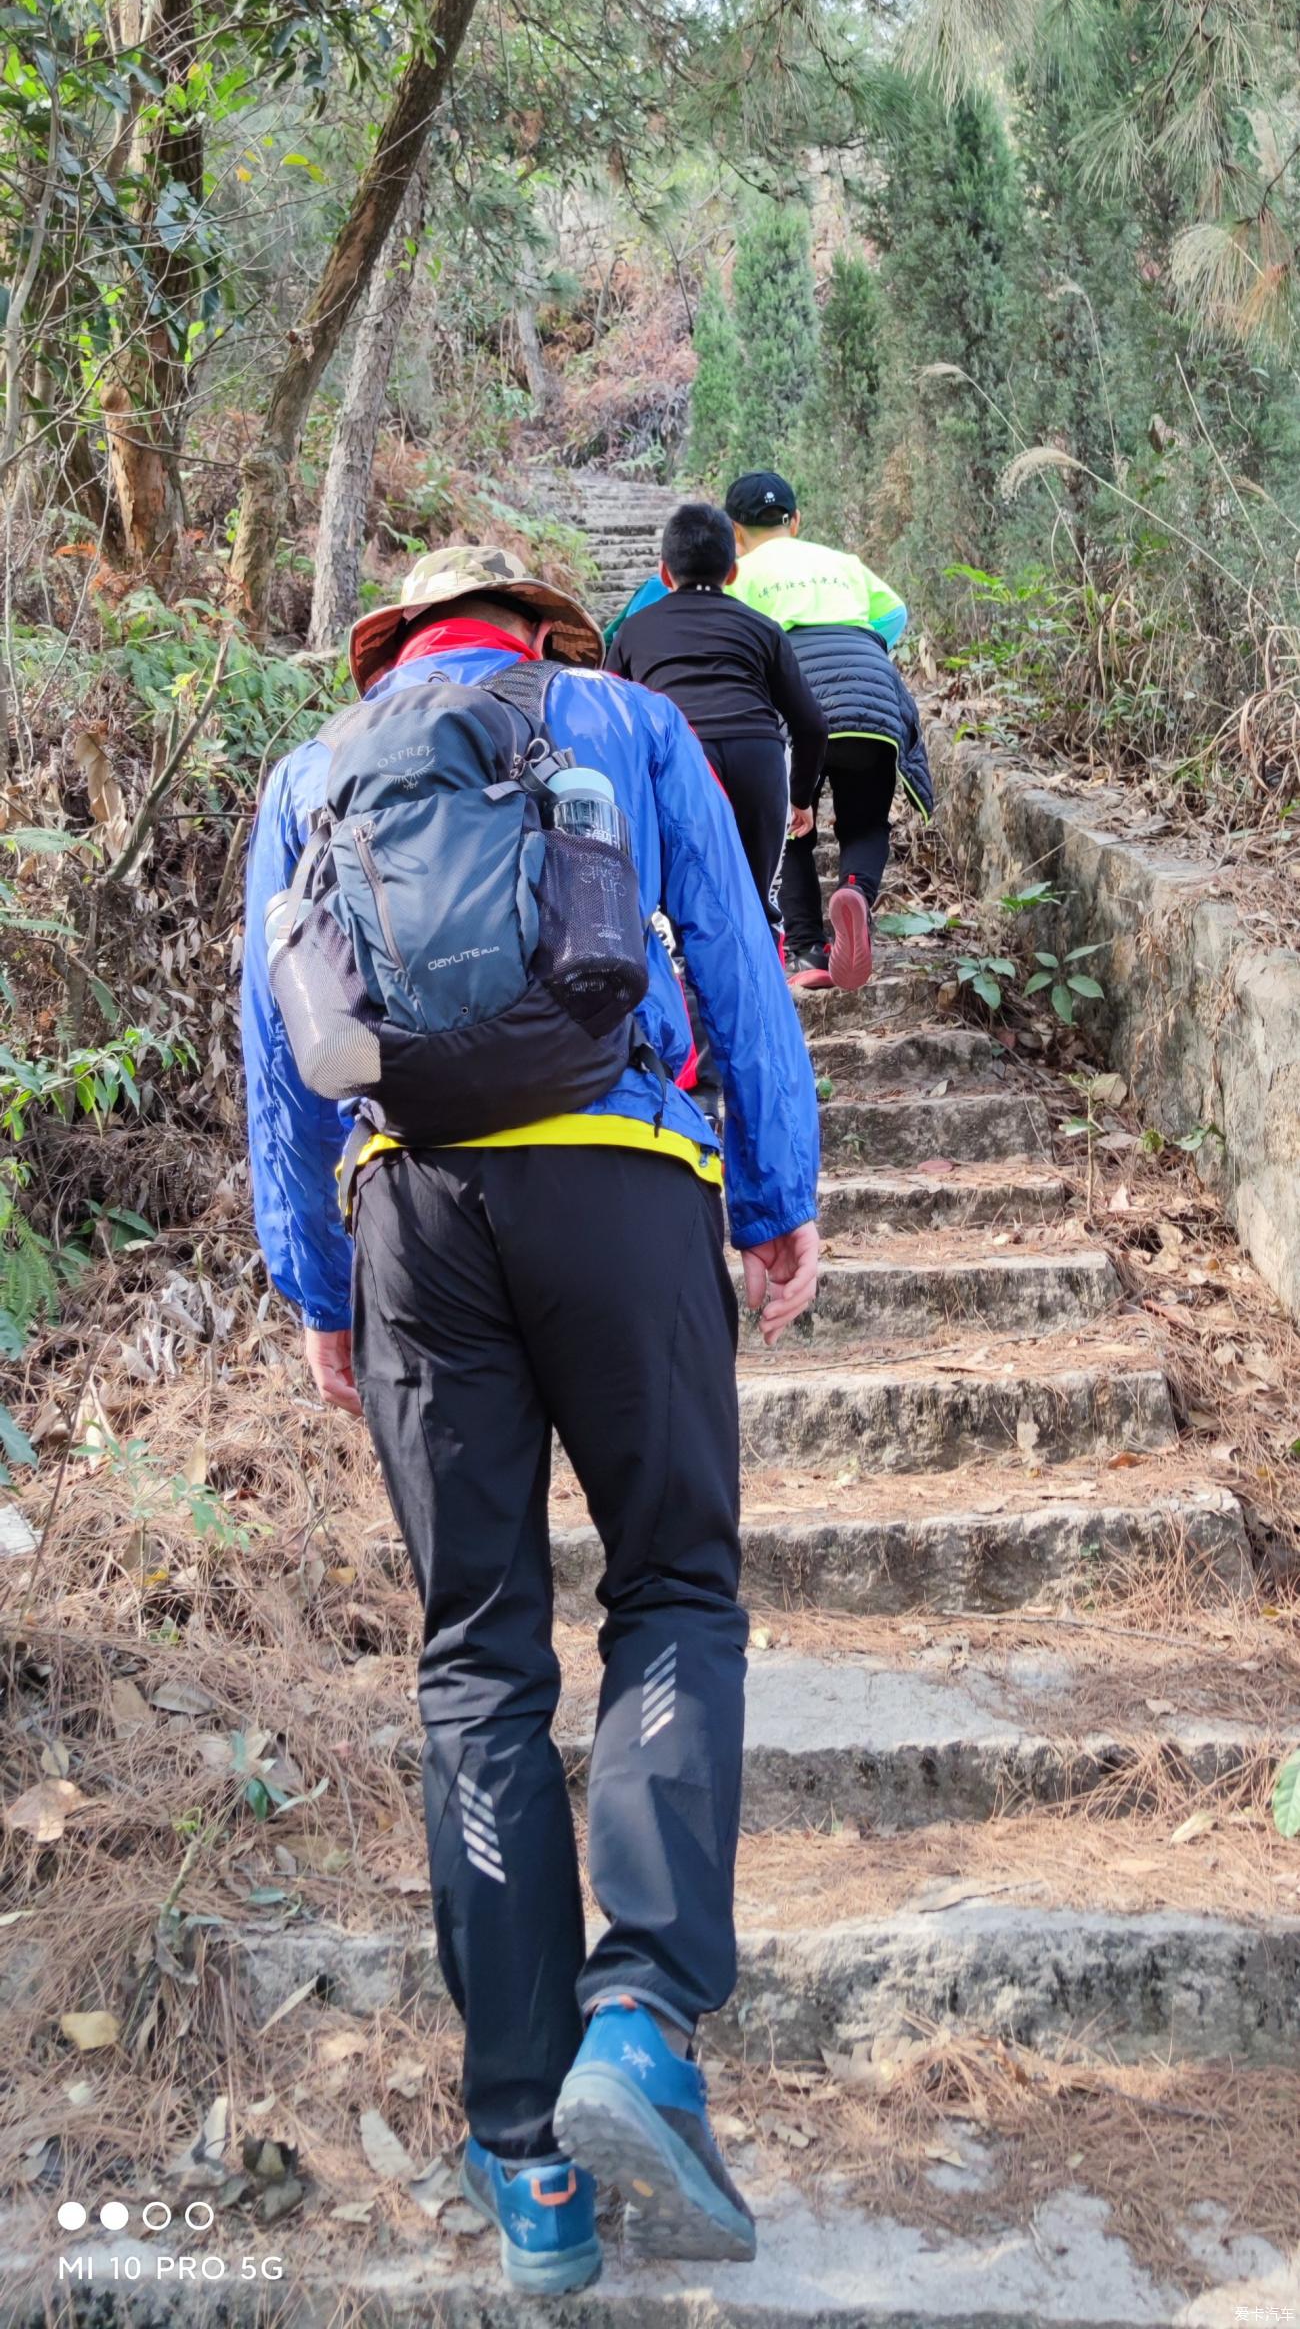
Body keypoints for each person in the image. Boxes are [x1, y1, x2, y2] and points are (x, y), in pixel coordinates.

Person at [242, 542, 821, 2296]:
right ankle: (641, 2010)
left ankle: (525, 2160)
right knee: (670, 1587)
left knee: (477, 1653)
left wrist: (318, 1285)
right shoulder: (630, 724)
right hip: (628, 1174)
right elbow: (725, 946)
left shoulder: (312, 773)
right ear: (543, 628)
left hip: (413, 1212)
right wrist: (774, 1191)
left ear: (398, 646)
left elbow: (275, 1046)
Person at [725, 471, 933, 993]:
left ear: (734, 531)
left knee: (792, 825)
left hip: (799, 692)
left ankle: (806, 951)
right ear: (795, 521)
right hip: (872, 687)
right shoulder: (842, 564)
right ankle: (857, 894)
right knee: (865, 821)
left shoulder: (738, 574)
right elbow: (895, 613)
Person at [604, 499, 827, 934]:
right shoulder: (763, 628)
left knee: (683, 905)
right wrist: (801, 796)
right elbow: (812, 724)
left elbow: (607, 715)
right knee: (752, 905)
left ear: (664, 572)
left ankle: (688, 992)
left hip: (681, 757)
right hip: (756, 758)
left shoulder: (634, 630)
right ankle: (764, 992)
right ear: (732, 572)